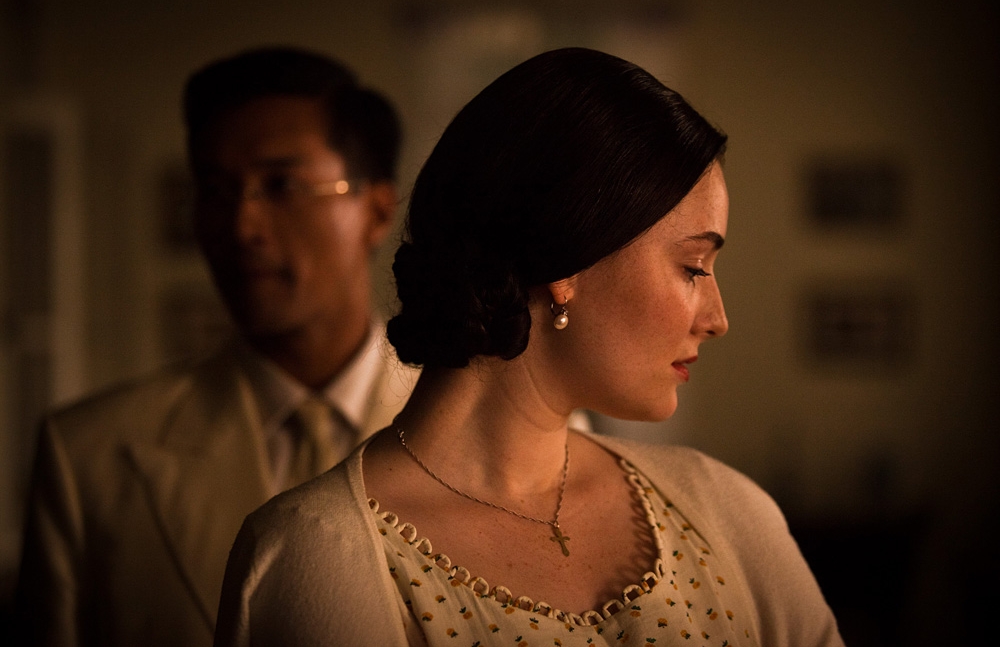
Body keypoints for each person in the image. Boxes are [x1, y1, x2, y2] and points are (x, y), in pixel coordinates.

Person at [214, 48, 844, 646]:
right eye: (693, 267)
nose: (717, 320)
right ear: (568, 263)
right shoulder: (317, 551)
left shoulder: (725, 511)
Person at [14, 46, 418, 647]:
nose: (241, 226)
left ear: (377, 209)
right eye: (214, 189)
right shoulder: (91, 456)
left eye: (281, 185)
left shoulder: (476, 431)